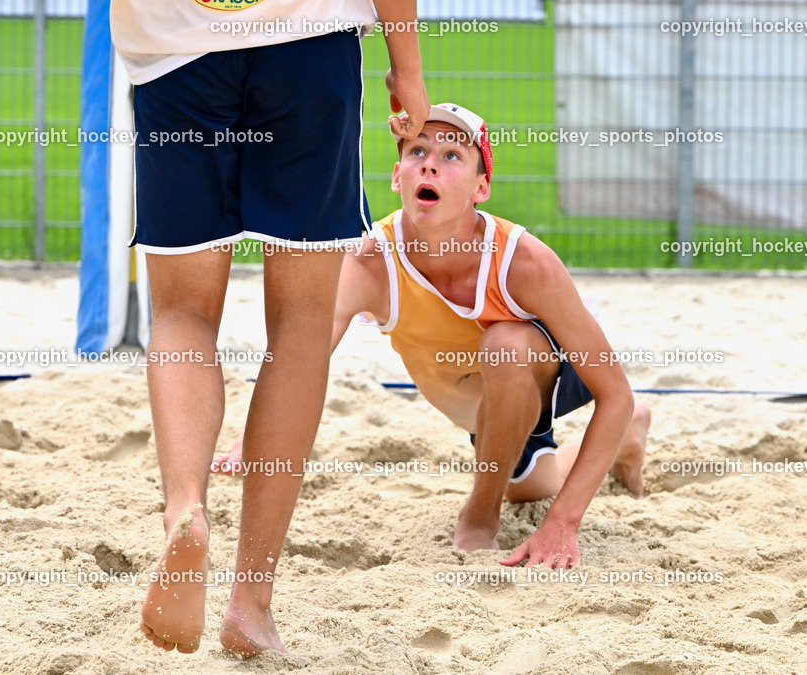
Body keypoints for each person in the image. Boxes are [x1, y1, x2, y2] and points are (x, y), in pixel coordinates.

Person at [109, 0, 430, 657]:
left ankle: (186, 509)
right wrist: (407, 66)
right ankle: (250, 602)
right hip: (308, 47)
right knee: (302, 326)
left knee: (182, 313)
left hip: (177, 53)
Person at [214, 103, 650, 574]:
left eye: (452, 155)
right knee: (533, 486)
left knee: (505, 347)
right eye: (417, 150)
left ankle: (479, 516)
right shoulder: (371, 262)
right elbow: (301, 356)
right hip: (486, 408)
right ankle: (626, 437)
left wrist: (563, 522)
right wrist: (250, 438)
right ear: (397, 177)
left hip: (544, 369)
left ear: (481, 188)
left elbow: (615, 394)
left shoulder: (522, 260)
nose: (429, 163)